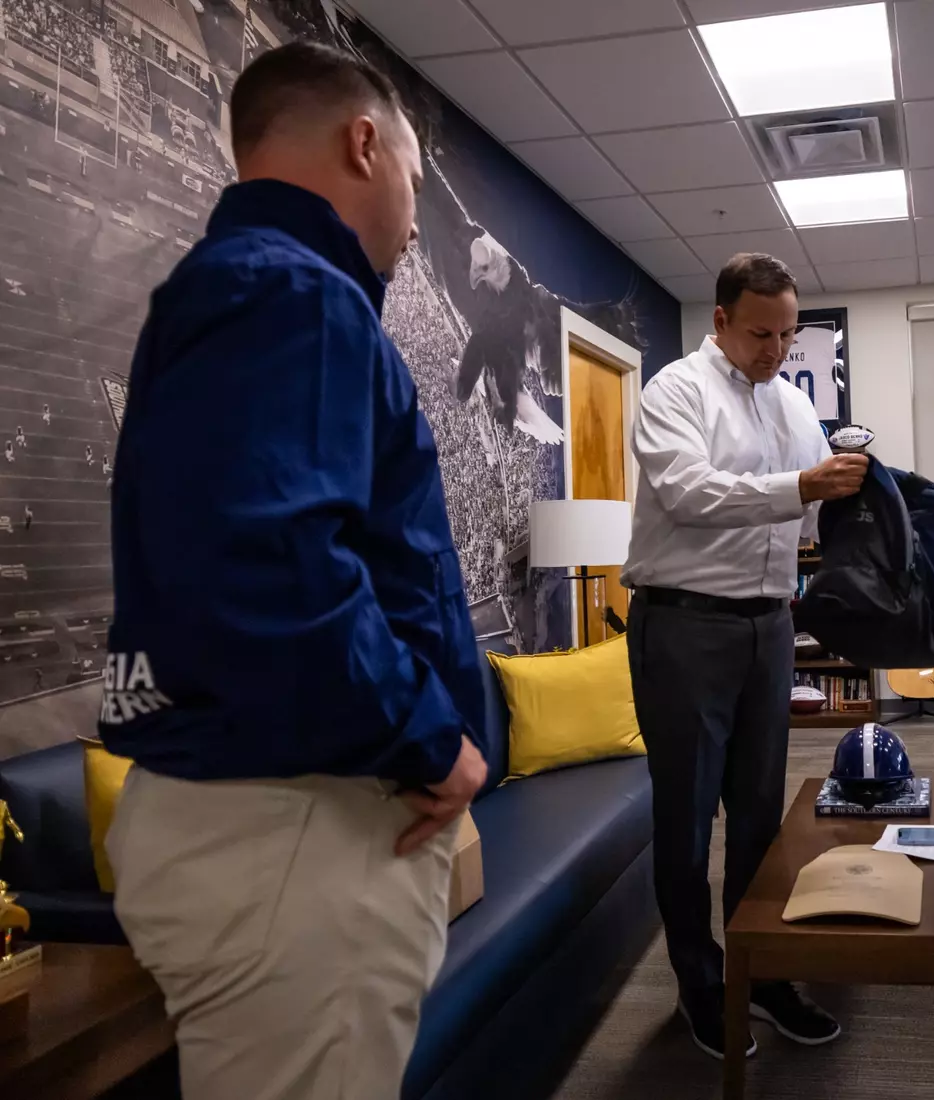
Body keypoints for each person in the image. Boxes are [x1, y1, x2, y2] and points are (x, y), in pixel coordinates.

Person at [99, 42, 488, 1098]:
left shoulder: (233, 289)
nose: (414, 221)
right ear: (365, 143)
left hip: (265, 819)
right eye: (412, 181)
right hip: (300, 830)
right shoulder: (294, 291)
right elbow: (271, 565)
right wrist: (434, 738)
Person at [622, 253, 869, 1059]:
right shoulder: (674, 392)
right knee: (687, 821)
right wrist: (801, 486)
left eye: (788, 335)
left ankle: (761, 973)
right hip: (685, 628)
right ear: (721, 319)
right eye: (762, 333)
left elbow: (808, 509)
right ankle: (700, 985)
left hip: (768, 627)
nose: (776, 350)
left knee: (762, 819)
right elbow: (689, 495)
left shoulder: (793, 410)